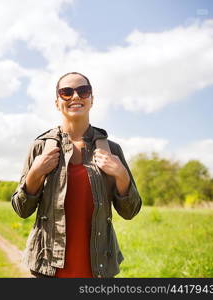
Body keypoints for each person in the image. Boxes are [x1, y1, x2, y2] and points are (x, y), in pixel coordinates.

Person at [11, 72, 142, 278]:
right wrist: (35, 173)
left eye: (83, 91)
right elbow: (21, 209)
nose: (75, 96)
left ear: (91, 99)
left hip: (98, 270)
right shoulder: (40, 148)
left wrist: (121, 174)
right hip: (48, 270)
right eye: (66, 92)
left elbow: (130, 211)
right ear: (57, 102)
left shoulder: (112, 150)